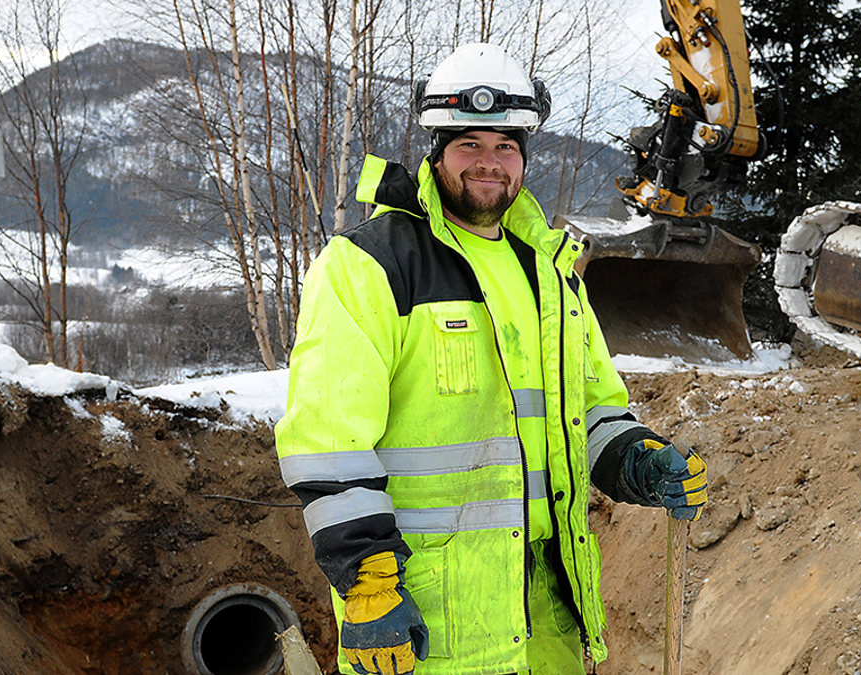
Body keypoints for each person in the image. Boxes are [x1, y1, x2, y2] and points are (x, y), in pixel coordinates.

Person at [274, 42, 708, 675]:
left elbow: (584, 412)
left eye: (505, 146)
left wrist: (633, 461)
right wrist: (369, 592)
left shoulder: (552, 274)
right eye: (469, 145)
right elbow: (326, 442)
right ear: (437, 150)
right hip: (429, 621)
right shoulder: (369, 265)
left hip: (547, 619)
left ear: (524, 157)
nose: (489, 162)